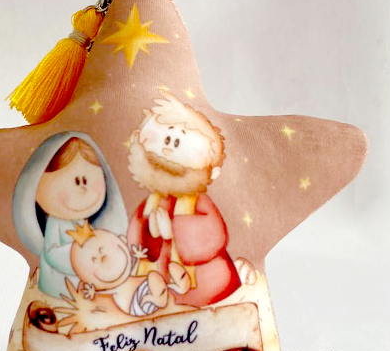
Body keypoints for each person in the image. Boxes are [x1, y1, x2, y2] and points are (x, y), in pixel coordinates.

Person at [127, 91, 241, 307]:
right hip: (157, 275)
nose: (168, 148)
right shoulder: (151, 203)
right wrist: (148, 234)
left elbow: (213, 238)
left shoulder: (200, 203)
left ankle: (180, 289)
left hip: (203, 280)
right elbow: (136, 239)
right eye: (166, 139)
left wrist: (174, 230)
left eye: (178, 142)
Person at [13, 132, 127, 299]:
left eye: (86, 180)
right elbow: (52, 253)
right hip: (62, 285)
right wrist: (79, 256)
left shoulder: (83, 221)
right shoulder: (56, 224)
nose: (83, 188)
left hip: (88, 282)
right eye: (76, 181)